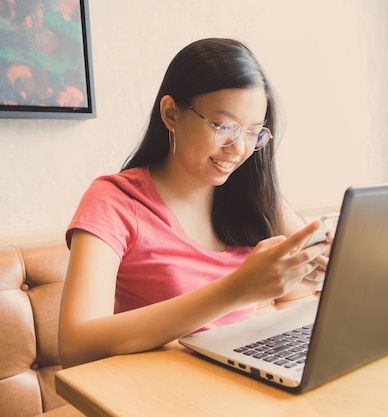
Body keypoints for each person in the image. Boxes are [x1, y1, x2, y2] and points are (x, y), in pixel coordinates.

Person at [58, 38, 330, 368]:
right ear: (171, 114)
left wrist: (317, 270)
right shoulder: (115, 201)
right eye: (224, 127)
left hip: (235, 382)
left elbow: (315, 263)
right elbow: (76, 345)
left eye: (252, 133)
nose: (238, 148)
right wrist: (235, 290)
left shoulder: (253, 195)